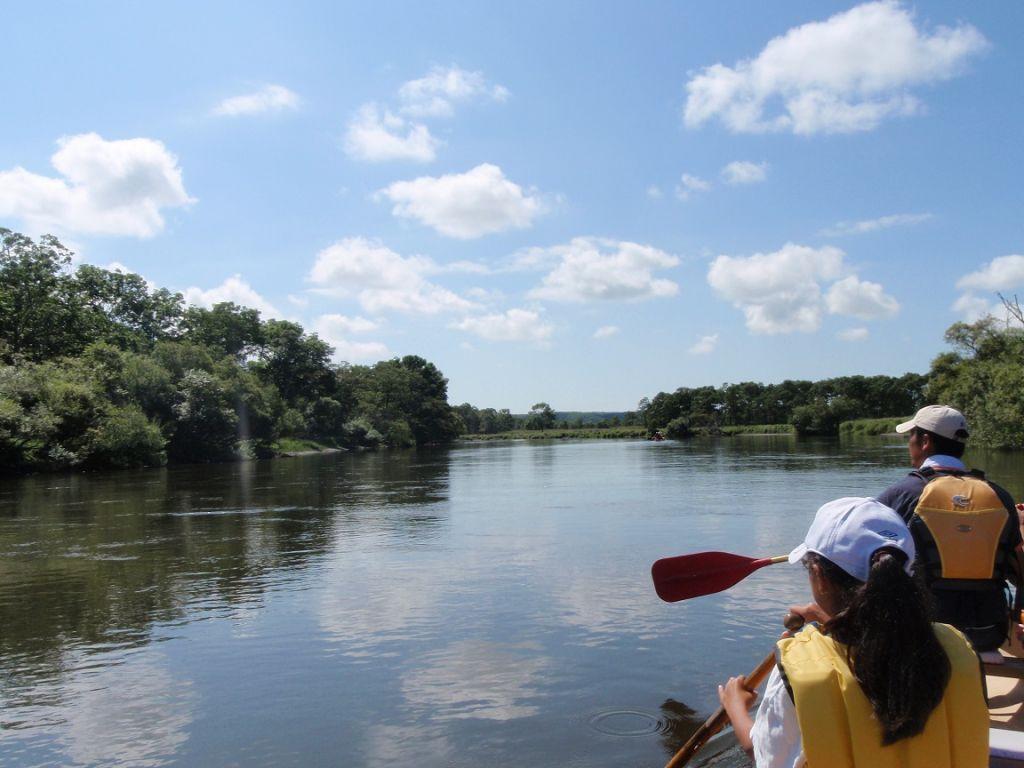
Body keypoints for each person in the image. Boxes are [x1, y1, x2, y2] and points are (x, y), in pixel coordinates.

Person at [718, 497, 989, 767]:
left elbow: (766, 758)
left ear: (818, 575)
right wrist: (829, 619)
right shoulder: (957, 647)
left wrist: (736, 708)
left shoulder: (798, 670)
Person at [876, 404, 1022, 651]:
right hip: (988, 631)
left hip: (921, 631)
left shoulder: (903, 493)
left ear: (924, 441)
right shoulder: (1000, 495)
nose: (908, 443)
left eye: (911, 436)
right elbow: (1017, 562)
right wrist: (1017, 612)